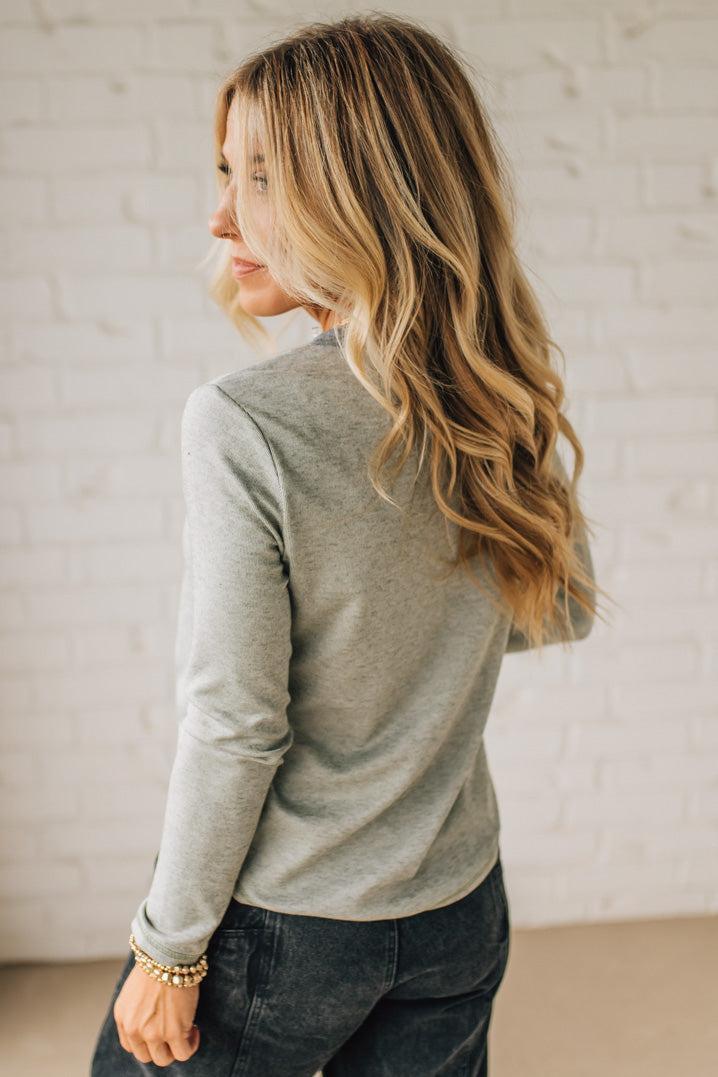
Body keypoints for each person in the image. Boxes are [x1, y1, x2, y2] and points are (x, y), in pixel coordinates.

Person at [90, 12, 607, 1076]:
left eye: (264, 178)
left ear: (365, 193)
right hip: (458, 906)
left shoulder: (245, 421)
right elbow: (558, 609)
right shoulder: (497, 390)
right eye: (226, 170)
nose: (222, 215)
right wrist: (410, 636)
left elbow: (235, 723)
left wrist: (168, 949)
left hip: (289, 926)